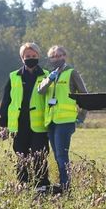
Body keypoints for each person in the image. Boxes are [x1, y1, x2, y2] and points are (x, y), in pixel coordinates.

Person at [0, 42, 50, 188]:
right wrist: (4, 124)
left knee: (40, 156)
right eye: (27, 56)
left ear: (38, 56)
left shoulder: (47, 76)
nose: (31, 58)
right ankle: (23, 184)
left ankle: (41, 186)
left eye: (33, 56)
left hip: (39, 125)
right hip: (19, 124)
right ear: (22, 58)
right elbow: (6, 101)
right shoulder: (13, 76)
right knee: (21, 156)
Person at [38, 44, 88, 192]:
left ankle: (66, 186)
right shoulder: (50, 74)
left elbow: (84, 95)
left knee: (61, 154)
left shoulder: (71, 73)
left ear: (65, 56)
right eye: (53, 57)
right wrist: (49, 80)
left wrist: (81, 116)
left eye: (59, 56)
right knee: (57, 154)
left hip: (65, 120)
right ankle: (63, 183)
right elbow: (40, 91)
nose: (56, 59)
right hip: (51, 121)